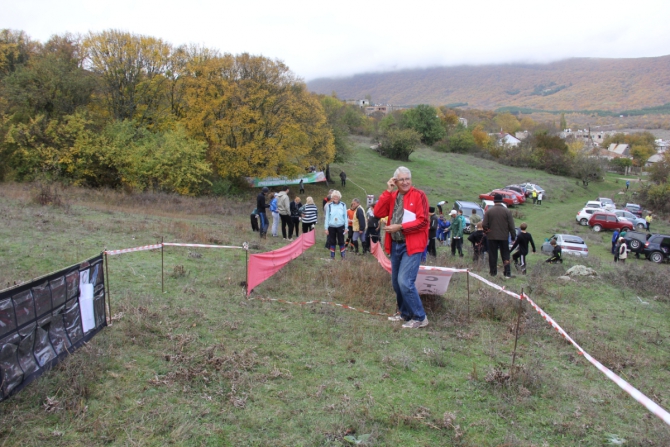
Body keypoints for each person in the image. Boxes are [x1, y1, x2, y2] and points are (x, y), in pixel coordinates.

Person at [374, 166, 430, 329]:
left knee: (405, 282)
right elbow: (378, 212)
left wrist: (400, 227)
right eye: (401, 179)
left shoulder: (419, 195)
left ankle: (420, 317)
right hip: (396, 244)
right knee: (396, 284)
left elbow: (423, 221)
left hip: (412, 246)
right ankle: (404, 313)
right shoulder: (393, 196)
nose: (405, 182)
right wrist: (387, 190)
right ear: (395, 181)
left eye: (407, 179)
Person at [482, 193, 516, 278]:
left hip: (492, 237)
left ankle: (493, 272)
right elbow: (511, 225)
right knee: (505, 255)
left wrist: (487, 231)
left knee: (493, 255)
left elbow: (484, 224)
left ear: (494, 201)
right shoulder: (507, 211)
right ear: (502, 201)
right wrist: (513, 235)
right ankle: (507, 273)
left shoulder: (489, 211)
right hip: (504, 236)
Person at [324, 190, 348, 259]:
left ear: (339, 197)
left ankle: (343, 257)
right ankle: (332, 257)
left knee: (341, 241)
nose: (335, 198)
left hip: (341, 226)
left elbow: (345, 217)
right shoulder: (329, 206)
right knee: (332, 242)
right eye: (334, 197)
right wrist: (326, 228)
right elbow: (327, 217)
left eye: (337, 197)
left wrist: (346, 227)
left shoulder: (343, 205)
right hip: (331, 226)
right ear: (332, 197)